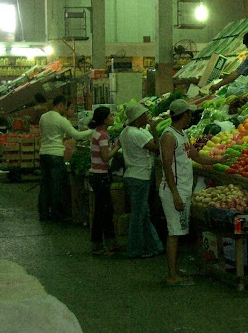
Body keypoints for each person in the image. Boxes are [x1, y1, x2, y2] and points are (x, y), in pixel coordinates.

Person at [159, 99, 224, 286]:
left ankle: (175, 270)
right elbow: (166, 166)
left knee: (178, 232)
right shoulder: (169, 136)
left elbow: (195, 156)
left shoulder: (182, 134)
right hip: (175, 191)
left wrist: (219, 160)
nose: (191, 116)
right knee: (174, 233)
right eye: (189, 113)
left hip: (183, 189)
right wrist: (175, 194)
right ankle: (172, 276)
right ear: (185, 115)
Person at [39, 95, 93, 222]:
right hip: (56, 155)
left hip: (44, 154)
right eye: (65, 106)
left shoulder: (43, 117)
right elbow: (77, 135)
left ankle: (43, 214)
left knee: (45, 185)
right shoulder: (61, 119)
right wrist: (93, 131)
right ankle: (57, 214)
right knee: (56, 185)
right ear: (61, 105)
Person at [119, 104, 164, 259]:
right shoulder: (136, 134)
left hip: (132, 175)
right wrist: (155, 129)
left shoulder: (126, 131)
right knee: (138, 216)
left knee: (143, 214)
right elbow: (157, 148)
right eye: (145, 115)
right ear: (138, 117)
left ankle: (155, 246)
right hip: (140, 178)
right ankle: (135, 249)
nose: (148, 117)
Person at [88, 107, 122, 256]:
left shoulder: (97, 133)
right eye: (110, 115)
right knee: (103, 211)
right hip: (100, 176)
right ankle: (98, 245)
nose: (113, 117)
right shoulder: (102, 136)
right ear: (104, 119)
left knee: (104, 210)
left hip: (96, 175)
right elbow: (106, 157)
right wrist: (116, 147)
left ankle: (108, 242)